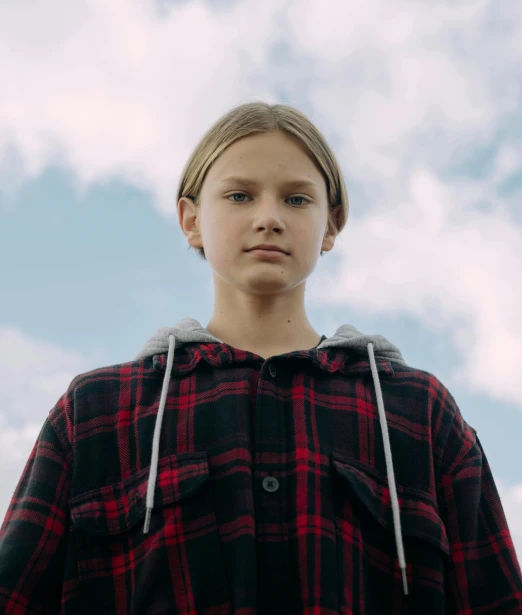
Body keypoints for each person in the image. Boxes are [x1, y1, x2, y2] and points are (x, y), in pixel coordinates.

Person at [0, 101, 521, 614]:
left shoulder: (419, 411)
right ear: (191, 220)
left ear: (332, 224)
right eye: (240, 195)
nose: (268, 218)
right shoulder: (94, 411)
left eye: (296, 200)